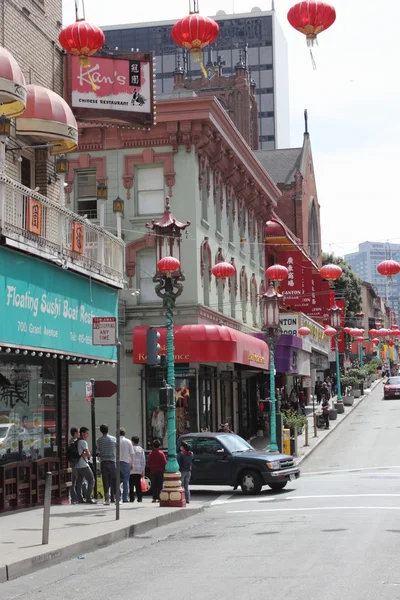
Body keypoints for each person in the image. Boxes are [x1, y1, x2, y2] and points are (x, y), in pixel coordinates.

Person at [96, 424, 116, 506]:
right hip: (112, 460)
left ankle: (107, 498)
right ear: (108, 429)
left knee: (105, 480)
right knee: (113, 479)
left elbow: (98, 451)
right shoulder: (113, 439)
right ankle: (114, 497)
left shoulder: (99, 440)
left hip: (103, 461)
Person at [76, 426, 96, 504]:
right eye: (86, 433)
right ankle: (88, 498)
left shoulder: (77, 441)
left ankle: (80, 498)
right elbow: (88, 453)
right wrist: (87, 454)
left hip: (77, 464)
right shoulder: (83, 442)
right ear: (82, 433)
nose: (87, 435)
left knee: (80, 481)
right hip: (84, 464)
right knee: (91, 480)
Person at [119, 427, 134, 503]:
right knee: (126, 481)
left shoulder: (115, 441)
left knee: (117, 481)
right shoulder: (128, 441)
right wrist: (132, 463)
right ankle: (125, 498)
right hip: (126, 462)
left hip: (117, 462)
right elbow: (131, 454)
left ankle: (118, 497)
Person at [130, 436, 146, 503]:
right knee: (138, 484)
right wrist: (142, 470)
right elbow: (143, 460)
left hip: (131, 469)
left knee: (131, 485)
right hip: (139, 469)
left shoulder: (130, 449)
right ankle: (139, 498)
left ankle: (131, 498)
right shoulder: (141, 449)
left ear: (132, 441)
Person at [67, 426, 80, 504]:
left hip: (72, 463)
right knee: (80, 480)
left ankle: (73, 498)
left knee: (73, 482)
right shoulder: (76, 442)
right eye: (78, 432)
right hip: (77, 463)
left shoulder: (69, 442)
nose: (79, 434)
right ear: (75, 433)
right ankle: (78, 497)